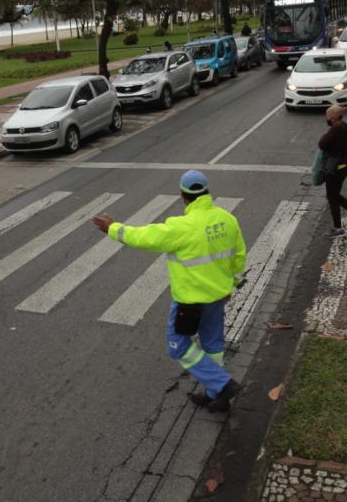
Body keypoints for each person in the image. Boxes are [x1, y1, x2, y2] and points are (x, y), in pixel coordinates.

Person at [91, 170, 246, 413]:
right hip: (217, 297)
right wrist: (232, 286)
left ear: (183, 196)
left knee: (178, 346)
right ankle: (217, 395)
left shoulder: (180, 227)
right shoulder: (227, 219)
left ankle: (222, 384)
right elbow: (239, 257)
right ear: (206, 192)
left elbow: (143, 237)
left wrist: (113, 228)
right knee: (213, 344)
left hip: (190, 303)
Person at [317, 106, 347, 237]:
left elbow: (322, 144)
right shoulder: (344, 125)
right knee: (335, 195)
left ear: (332, 118)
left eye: (327, 117)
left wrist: (325, 136)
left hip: (336, 167)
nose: (326, 119)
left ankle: (338, 228)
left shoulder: (336, 129)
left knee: (332, 197)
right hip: (343, 164)